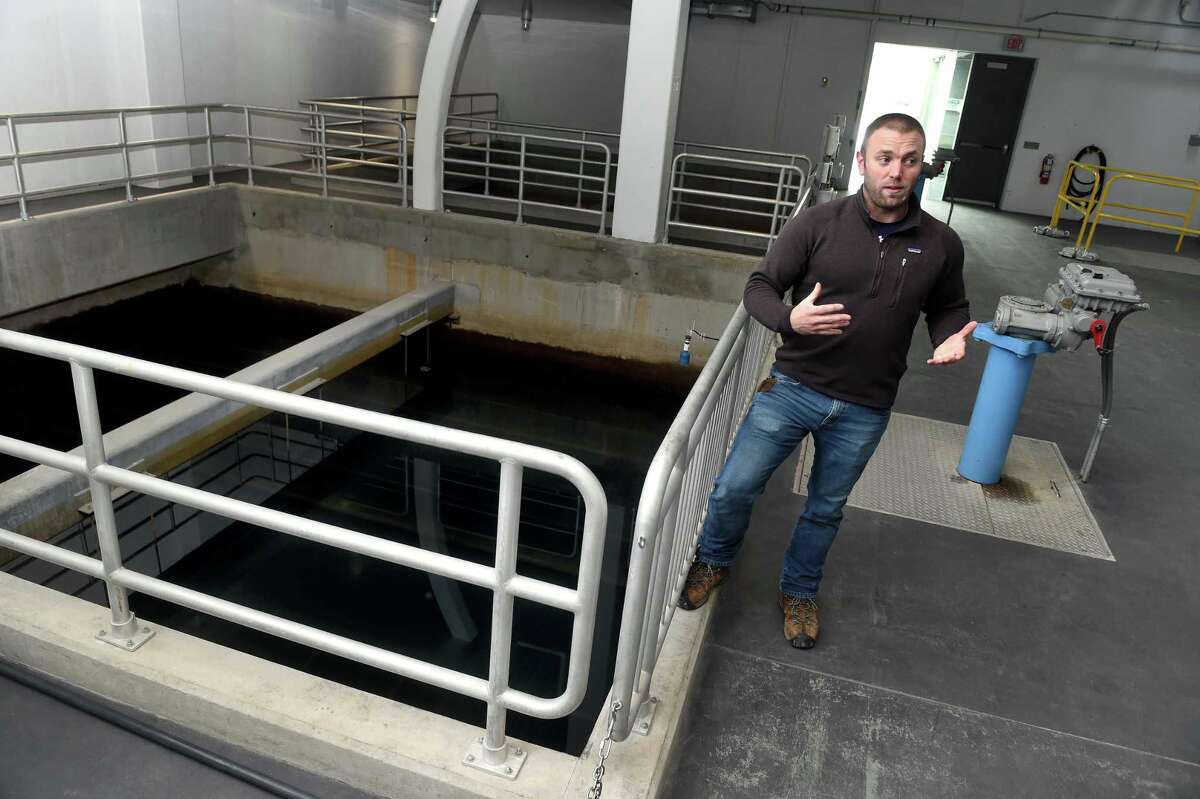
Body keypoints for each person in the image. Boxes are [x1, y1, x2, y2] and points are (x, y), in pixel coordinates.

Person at [678, 113, 977, 650]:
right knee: (733, 488)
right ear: (862, 162)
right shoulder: (818, 224)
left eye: (909, 160)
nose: (896, 172)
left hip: (865, 406)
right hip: (793, 387)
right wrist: (787, 320)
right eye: (884, 158)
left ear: (920, 168)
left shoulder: (940, 244)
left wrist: (951, 336)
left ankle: (798, 592)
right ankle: (715, 558)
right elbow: (760, 286)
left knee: (824, 510)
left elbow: (948, 307)